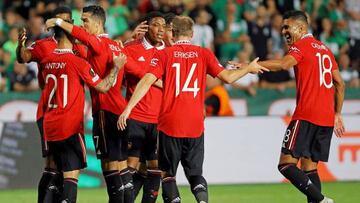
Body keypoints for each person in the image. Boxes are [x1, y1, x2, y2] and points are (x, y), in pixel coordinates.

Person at [117, 16, 268, 203]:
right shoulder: (204, 53)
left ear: (173, 33)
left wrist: (128, 108)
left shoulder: (164, 54)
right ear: (193, 34)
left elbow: (146, 81)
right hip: (195, 122)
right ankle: (202, 200)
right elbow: (228, 78)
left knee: (167, 174)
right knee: (196, 173)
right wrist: (248, 68)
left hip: (170, 122)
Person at [230, 10, 345, 203]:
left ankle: (322, 200)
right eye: (282, 27)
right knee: (310, 169)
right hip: (326, 119)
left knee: (285, 165)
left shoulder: (302, 46)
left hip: (307, 114)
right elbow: (340, 84)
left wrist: (249, 67)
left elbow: (284, 64)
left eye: (287, 27)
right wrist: (338, 114)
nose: (283, 31)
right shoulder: (325, 49)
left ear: (301, 28)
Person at [46, 5, 134, 203]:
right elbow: (84, 52)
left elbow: (82, 38)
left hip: (104, 110)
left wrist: (59, 22)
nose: (82, 24)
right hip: (119, 110)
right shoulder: (115, 45)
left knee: (110, 169)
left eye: (85, 20)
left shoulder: (98, 43)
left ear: (99, 23)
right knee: (122, 167)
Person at [16, 6, 86, 203]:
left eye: (67, 21)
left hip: (69, 115)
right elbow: (23, 57)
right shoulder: (43, 45)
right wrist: (20, 45)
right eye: (60, 21)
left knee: (59, 168)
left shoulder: (79, 47)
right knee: (54, 166)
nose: (63, 25)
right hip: (48, 113)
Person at [122, 11, 166, 203]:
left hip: (160, 119)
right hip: (136, 117)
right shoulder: (130, 48)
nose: (161, 30)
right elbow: (114, 64)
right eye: (157, 25)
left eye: (164, 26)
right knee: (130, 165)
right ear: (146, 26)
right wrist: (127, 39)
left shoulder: (169, 51)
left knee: (154, 166)